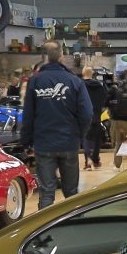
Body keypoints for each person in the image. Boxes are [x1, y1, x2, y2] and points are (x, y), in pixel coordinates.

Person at [21, 40, 92, 210]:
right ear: (61, 56)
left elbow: (28, 115)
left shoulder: (35, 81)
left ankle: (45, 225)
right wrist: (79, 135)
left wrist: (26, 141)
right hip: (69, 143)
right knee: (71, 193)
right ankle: (72, 223)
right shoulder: (75, 81)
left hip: (43, 144)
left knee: (46, 193)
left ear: (44, 58)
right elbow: (87, 113)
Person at [81, 67, 108, 170]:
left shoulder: (80, 85)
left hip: (84, 115)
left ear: (83, 73)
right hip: (97, 115)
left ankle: (88, 160)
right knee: (97, 138)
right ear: (92, 74)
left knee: (86, 138)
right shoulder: (99, 86)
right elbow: (104, 100)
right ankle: (96, 160)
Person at [107, 76, 127, 161]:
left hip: (117, 120)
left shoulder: (116, 91)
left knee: (119, 142)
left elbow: (111, 104)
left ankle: (117, 162)